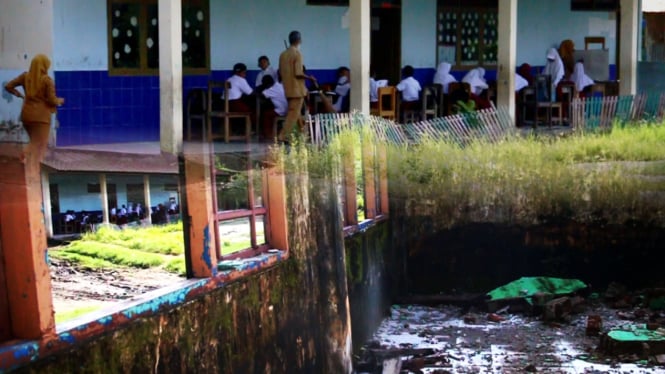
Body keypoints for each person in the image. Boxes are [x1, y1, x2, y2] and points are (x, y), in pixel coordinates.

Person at [4, 54, 64, 162]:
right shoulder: (47, 80)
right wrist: (60, 100)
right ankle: (29, 158)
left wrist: (19, 95)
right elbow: (52, 100)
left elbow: (8, 86)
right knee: (41, 142)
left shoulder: (25, 77)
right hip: (41, 118)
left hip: (26, 116)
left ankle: (30, 161)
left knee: (34, 141)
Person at [278, 30, 316, 141]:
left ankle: (304, 134)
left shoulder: (283, 55)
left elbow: (281, 72)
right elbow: (298, 73)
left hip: (287, 88)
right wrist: (310, 78)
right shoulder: (297, 54)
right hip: (297, 89)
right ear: (299, 40)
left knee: (296, 112)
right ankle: (282, 136)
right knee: (293, 114)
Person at [260, 75, 288, 141]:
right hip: (288, 109)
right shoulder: (280, 85)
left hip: (281, 111)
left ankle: (268, 134)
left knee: (266, 114)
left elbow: (262, 95)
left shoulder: (271, 89)